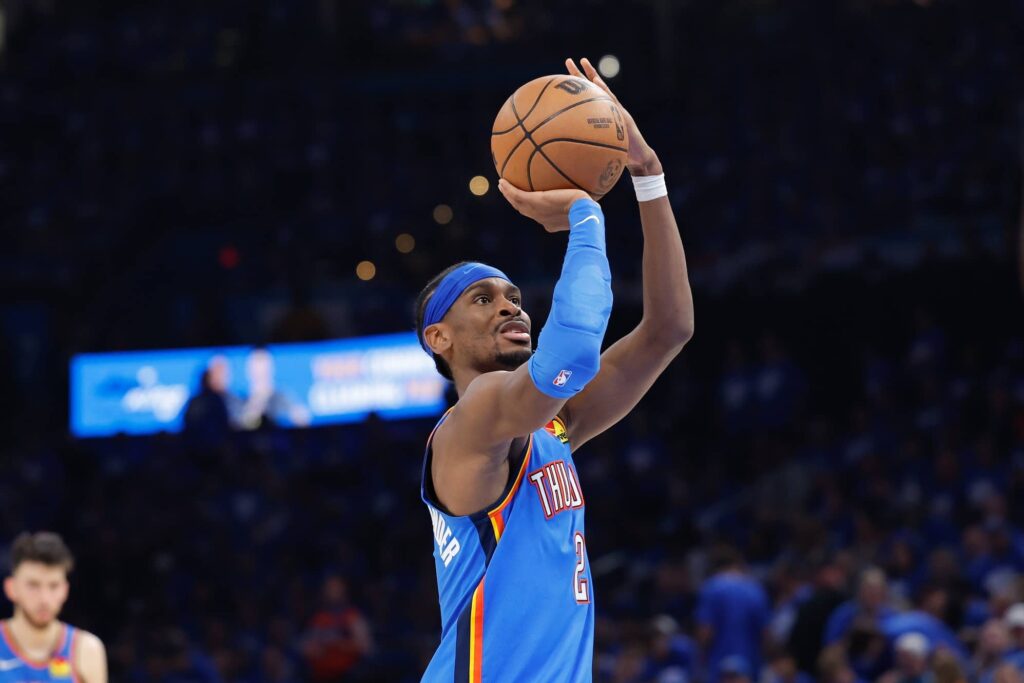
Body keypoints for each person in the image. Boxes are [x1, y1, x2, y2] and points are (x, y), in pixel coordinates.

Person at [415, 57, 694, 682]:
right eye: (483, 300)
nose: (510, 305)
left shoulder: (552, 426)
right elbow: (569, 356)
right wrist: (583, 215)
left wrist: (649, 176)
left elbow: (670, 328)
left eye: (514, 295)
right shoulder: (472, 423)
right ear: (439, 337)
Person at [0, 531, 107, 682]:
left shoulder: (87, 649)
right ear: (11, 588)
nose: (44, 598)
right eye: (33, 585)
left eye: (53, 586)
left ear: (65, 590)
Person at [696, 546, 771, 683]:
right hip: (750, 663)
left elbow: (705, 632)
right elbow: (765, 634)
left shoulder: (712, 587)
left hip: (720, 665)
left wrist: (699, 657)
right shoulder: (756, 589)